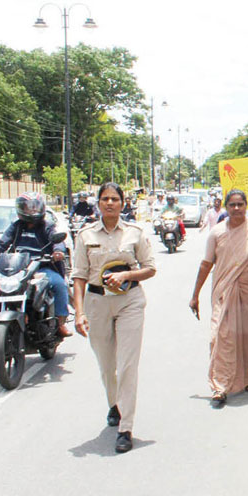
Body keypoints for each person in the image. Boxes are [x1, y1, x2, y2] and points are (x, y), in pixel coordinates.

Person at [71, 182, 157, 454]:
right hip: (97, 302)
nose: (110, 203)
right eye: (105, 199)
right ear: (98, 203)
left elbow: (150, 268)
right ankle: (114, 404)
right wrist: (79, 312)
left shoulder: (135, 233)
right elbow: (79, 276)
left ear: (123, 203)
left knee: (127, 365)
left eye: (115, 199)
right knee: (107, 365)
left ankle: (126, 428)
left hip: (129, 301)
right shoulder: (85, 235)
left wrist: (126, 276)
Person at [189, 189, 248, 406]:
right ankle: (220, 385)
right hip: (224, 290)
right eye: (232, 205)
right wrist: (195, 295)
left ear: (246, 206)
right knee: (219, 335)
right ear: (226, 208)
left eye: (240, 204)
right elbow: (206, 264)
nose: (236, 209)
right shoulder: (217, 233)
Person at [0, 192, 72, 343]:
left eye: (34, 207)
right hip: (19, 269)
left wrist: (58, 251)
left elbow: (57, 241)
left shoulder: (47, 226)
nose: (31, 211)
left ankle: (60, 323)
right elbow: (2, 242)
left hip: (43, 267)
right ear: (20, 209)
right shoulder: (16, 226)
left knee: (59, 284)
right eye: (27, 208)